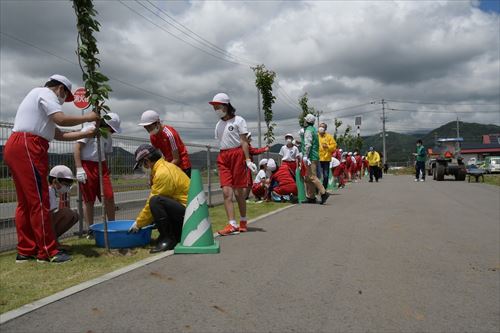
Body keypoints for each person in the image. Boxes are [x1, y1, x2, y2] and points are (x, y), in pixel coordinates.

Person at [4, 74, 98, 263]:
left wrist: (85, 132)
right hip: (29, 146)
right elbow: (61, 120)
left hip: (18, 145)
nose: (63, 102)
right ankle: (47, 251)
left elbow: (59, 134)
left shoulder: (38, 104)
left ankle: (26, 250)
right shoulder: (46, 93)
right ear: (61, 89)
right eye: (65, 97)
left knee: (26, 203)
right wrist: (89, 116)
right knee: (40, 200)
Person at [128, 144, 190, 253]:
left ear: (147, 160)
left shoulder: (162, 173)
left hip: (188, 213)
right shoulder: (165, 167)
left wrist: (138, 223)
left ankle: (168, 240)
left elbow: (152, 202)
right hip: (187, 210)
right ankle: (172, 235)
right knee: (158, 203)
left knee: (156, 201)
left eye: (142, 164)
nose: (143, 167)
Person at [209, 93, 256, 235]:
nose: (216, 109)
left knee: (238, 192)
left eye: (218, 106)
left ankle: (243, 220)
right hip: (223, 157)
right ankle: (231, 224)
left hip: (237, 155)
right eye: (214, 107)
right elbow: (222, 142)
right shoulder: (218, 125)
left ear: (226, 106)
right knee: (226, 192)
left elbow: (243, 141)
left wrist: (247, 160)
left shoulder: (239, 120)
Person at [74, 113, 121, 234]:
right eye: (112, 129)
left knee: (109, 197)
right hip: (87, 165)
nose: (113, 132)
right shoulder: (88, 130)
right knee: (89, 200)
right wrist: (79, 168)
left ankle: (112, 226)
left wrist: (106, 168)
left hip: (102, 166)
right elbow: (77, 149)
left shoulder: (107, 136)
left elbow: (106, 152)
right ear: (106, 124)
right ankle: (91, 229)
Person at [138, 110, 192, 177]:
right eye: (146, 128)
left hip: (182, 166)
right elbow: (156, 157)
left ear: (157, 123)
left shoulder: (170, 134)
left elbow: (176, 159)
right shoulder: (153, 137)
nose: (148, 130)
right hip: (169, 164)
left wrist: (163, 170)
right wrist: (153, 173)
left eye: (149, 127)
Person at [301, 113, 329, 204]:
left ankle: (323, 193)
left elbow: (308, 144)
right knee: (308, 178)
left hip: (311, 156)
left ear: (307, 121)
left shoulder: (308, 130)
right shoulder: (314, 130)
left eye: (305, 120)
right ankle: (311, 197)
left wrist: (306, 155)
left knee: (312, 176)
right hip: (315, 156)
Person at [48, 165, 79, 244]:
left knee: (74, 216)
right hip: (40, 227)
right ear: (55, 181)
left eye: (69, 185)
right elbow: (49, 219)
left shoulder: (52, 191)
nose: (67, 188)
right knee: (67, 213)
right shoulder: (49, 192)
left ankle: (51, 240)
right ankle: (51, 242)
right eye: (66, 185)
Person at [318, 123, 337, 189]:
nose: (321, 128)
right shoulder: (316, 136)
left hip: (326, 159)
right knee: (318, 176)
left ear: (325, 129)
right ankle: (318, 190)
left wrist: (327, 146)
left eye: (323, 127)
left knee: (326, 176)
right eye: (320, 126)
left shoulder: (329, 137)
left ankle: (324, 189)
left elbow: (334, 147)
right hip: (317, 159)